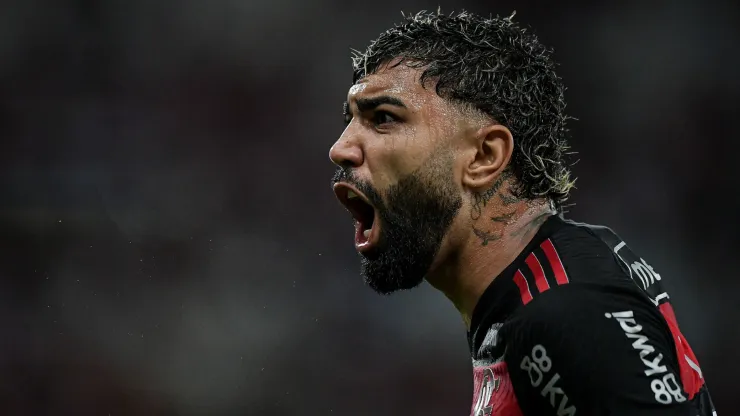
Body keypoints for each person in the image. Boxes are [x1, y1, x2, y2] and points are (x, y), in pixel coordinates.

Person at [328, 10, 716, 416]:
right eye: (349, 119)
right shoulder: (540, 286)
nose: (340, 148)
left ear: (484, 156)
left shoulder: (566, 312)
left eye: (384, 118)